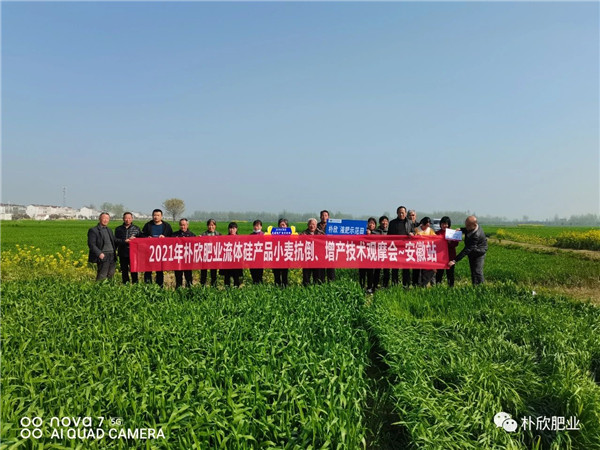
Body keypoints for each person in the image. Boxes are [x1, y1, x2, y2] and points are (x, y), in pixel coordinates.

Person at [448, 215, 488, 285]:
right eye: (466, 225)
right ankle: (475, 287)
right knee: (473, 271)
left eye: (468, 225)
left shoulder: (476, 235)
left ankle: (482, 287)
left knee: (478, 271)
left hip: (479, 253)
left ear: (475, 225)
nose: (466, 227)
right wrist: (460, 229)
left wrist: (455, 260)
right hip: (472, 252)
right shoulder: (471, 227)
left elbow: (467, 249)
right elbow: (466, 229)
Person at [141, 209, 173, 287]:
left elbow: (172, 237)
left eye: (158, 215)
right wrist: (147, 237)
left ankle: (160, 286)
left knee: (160, 270)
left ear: (161, 216)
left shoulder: (166, 226)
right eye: (154, 215)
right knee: (148, 270)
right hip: (149, 252)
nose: (156, 217)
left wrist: (165, 237)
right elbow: (142, 235)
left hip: (161, 252)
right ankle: (148, 286)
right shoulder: (148, 225)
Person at [387, 206, 415, 287]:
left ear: (406, 213)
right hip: (395, 248)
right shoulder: (392, 223)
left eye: (403, 212)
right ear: (397, 213)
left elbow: (413, 232)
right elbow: (389, 236)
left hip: (406, 248)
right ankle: (394, 285)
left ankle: (406, 285)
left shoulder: (410, 222)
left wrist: (412, 234)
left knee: (406, 267)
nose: (401, 214)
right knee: (395, 268)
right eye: (399, 212)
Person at [87, 212, 117, 282]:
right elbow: (91, 244)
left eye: (107, 218)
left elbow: (114, 240)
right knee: (102, 275)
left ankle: (109, 289)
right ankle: (98, 289)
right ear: (99, 219)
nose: (106, 220)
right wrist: (99, 253)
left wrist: (125, 241)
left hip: (112, 254)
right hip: (103, 255)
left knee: (111, 274)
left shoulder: (109, 230)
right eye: (104, 218)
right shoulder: (93, 230)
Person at [114, 212, 142, 284]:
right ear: (123, 219)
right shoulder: (118, 229)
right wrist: (124, 241)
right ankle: (125, 285)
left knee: (134, 270)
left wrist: (135, 240)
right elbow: (116, 240)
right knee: (124, 270)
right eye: (126, 218)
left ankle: (135, 285)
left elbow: (141, 240)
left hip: (133, 253)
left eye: (129, 218)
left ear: (132, 219)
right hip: (122, 252)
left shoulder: (136, 229)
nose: (127, 220)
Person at [172, 218, 195, 288]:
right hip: (178, 260)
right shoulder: (174, 235)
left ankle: (189, 292)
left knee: (188, 277)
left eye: (184, 225)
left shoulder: (192, 235)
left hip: (188, 260)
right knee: (178, 278)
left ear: (187, 225)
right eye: (181, 225)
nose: (183, 227)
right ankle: (178, 292)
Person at [301, 218, 324, 286]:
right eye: (310, 224)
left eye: (314, 224)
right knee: (306, 275)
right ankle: (306, 288)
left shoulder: (321, 233)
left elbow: (324, 243)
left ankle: (316, 288)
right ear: (308, 225)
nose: (312, 226)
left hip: (318, 258)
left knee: (317, 276)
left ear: (316, 225)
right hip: (307, 258)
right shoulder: (303, 233)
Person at [436, 216, 458, 287]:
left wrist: (450, 242)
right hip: (440, 257)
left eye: (446, 224)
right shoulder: (437, 233)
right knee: (439, 273)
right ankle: (438, 287)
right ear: (440, 224)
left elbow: (456, 244)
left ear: (449, 224)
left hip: (450, 256)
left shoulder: (453, 233)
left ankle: (451, 287)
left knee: (450, 273)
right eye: (443, 224)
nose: (444, 225)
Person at [415, 217, 436, 287]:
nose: (428, 226)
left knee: (430, 269)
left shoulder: (430, 230)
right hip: (419, 252)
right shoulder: (417, 229)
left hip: (428, 252)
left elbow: (435, 239)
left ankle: (430, 283)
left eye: (429, 224)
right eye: (426, 224)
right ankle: (419, 284)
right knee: (419, 269)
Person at [221, 222, 243, 288]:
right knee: (227, 277)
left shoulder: (240, 238)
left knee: (236, 277)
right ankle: (227, 291)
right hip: (227, 260)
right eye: (230, 228)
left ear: (236, 229)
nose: (232, 230)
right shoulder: (225, 238)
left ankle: (236, 290)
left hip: (236, 261)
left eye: (233, 228)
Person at [200, 218, 221, 287]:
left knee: (213, 273)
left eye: (212, 225)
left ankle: (214, 286)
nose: (211, 227)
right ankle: (202, 286)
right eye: (209, 225)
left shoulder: (219, 235)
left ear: (215, 226)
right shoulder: (203, 234)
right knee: (203, 273)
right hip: (205, 256)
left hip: (214, 256)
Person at [359, 217, 377, 293]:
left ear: (375, 225)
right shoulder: (362, 232)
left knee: (370, 273)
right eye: (370, 223)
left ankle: (370, 287)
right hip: (362, 255)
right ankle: (361, 286)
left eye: (373, 223)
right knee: (362, 272)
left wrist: (371, 234)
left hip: (372, 256)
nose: (371, 225)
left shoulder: (377, 233)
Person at [317, 210, 335, 282]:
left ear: (328, 217)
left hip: (330, 249)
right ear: (320, 217)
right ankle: (321, 282)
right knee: (321, 267)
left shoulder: (332, 226)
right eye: (322, 215)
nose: (324, 217)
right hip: (320, 250)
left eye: (326, 215)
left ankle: (331, 282)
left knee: (330, 267)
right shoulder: (317, 226)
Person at [373, 215, 390, 289]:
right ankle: (375, 285)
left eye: (386, 221)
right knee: (377, 270)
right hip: (378, 253)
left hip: (387, 254)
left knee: (387, 270)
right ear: (380, 222)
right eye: (383, 221)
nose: (384, 223)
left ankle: (385, 285)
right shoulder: (375, 232)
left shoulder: (390, 232)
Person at [273, 218, 290, 287]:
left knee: (285, 272)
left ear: (287, 226)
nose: (282, 226)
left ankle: (285, 285)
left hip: (286, 255)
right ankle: (277, 285)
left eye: (284, 225)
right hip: (276, 255)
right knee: (276, 272)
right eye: (281, 225)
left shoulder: (290, 233)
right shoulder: (274, 233)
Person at [249, 219, 264, 284]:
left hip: (260, 257)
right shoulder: (251, 235)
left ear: (261, 227)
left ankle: (260, 285)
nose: (256, 227)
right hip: (252, 257)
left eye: (258, 225)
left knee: (259, 273)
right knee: (253, 273)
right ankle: (254, 284)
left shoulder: (264, 235)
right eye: (255, 225)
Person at [408, 210, 420, 287]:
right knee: (406, 268)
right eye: (410, 215)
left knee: (417, 267)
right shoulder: (405, 224)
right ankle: (407, 284)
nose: (411, 217)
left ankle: (416, 284)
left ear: (415, 216)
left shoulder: (419, 225)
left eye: (413, 215)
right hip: (407, 248)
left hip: (418, 249)